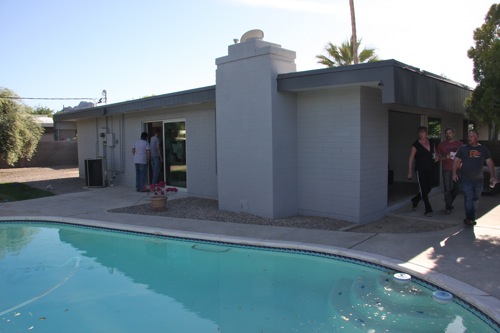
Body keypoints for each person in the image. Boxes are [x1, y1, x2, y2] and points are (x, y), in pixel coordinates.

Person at [452, 129, 497, 226]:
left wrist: (492, 176)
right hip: (466, 178)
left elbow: (490, 162)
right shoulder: (463, 148)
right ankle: (469, 219)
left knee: (476, 198)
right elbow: (456, 161)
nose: (469, 138)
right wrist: (454, 173)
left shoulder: (483, 149)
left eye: (471, 136)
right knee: (468, 198)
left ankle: (471, 216)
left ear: (477, 137)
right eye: (468, 136)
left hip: (479, 179)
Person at [408, 126, 437, 217]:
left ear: (426, 133)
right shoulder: (415, 145)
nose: (421, 134)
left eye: (423, 132)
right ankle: (428, 209)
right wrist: (410, 172)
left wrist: (436, 157)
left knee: (429, 187)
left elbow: (434, 153)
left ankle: (416, 200)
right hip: (420, 169)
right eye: (420, 132)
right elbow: (411, 158)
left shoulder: (432, 142)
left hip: (430, 168)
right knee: (424, 189)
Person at [436, 128, 463, 214]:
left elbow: (464, 156)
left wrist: (462, 162)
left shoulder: (460, 144)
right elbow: (438, 158)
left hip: (458, 169)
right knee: (447, 189)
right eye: (446, 133)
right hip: (446, 169)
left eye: (450, 133)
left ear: (454, 134)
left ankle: (449, 200)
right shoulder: (441, 145)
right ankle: (448, 207)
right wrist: (446, 156)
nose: (448, 135)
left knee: (457, 188)